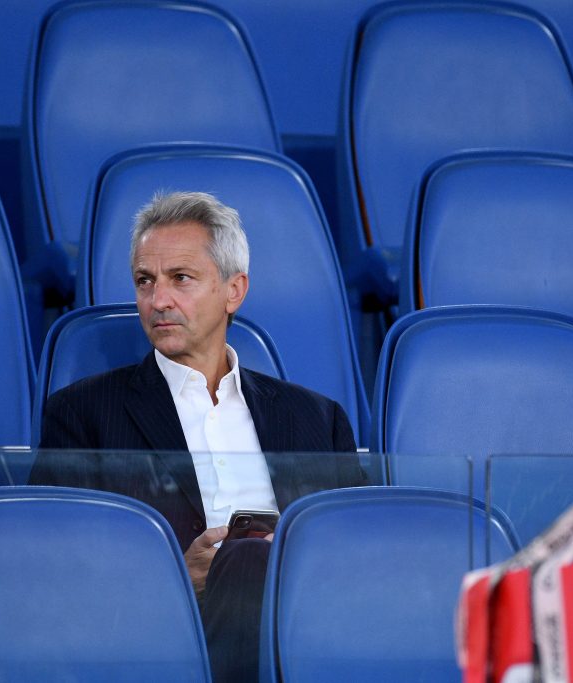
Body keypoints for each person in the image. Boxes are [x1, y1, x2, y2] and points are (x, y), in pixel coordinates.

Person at [30, 191, 366, 681]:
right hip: (161, 638)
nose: (158, 300)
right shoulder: (83, 414)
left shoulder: (316, 417)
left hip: (310, 633)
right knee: (247, 558)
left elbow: (357, 555)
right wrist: (174, 578)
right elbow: (53, 570)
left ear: (234, 291)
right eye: (145, 281)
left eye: (180, 278)